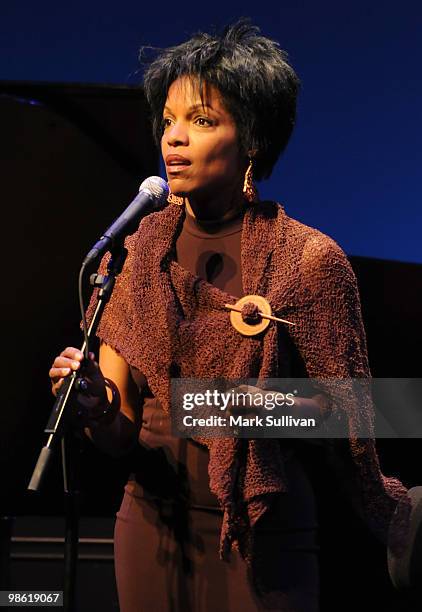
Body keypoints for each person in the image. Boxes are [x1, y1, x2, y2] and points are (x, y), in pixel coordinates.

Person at [49, 21, 412, 612]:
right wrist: (94, 404)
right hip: (149, 529)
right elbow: (120, 435)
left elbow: (363, 414)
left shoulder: (309, 261)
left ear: (253, 139)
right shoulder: (140, 255)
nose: (174, 140)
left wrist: (244, 404)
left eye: (201, 120)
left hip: (266, 539)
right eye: (167, 121)